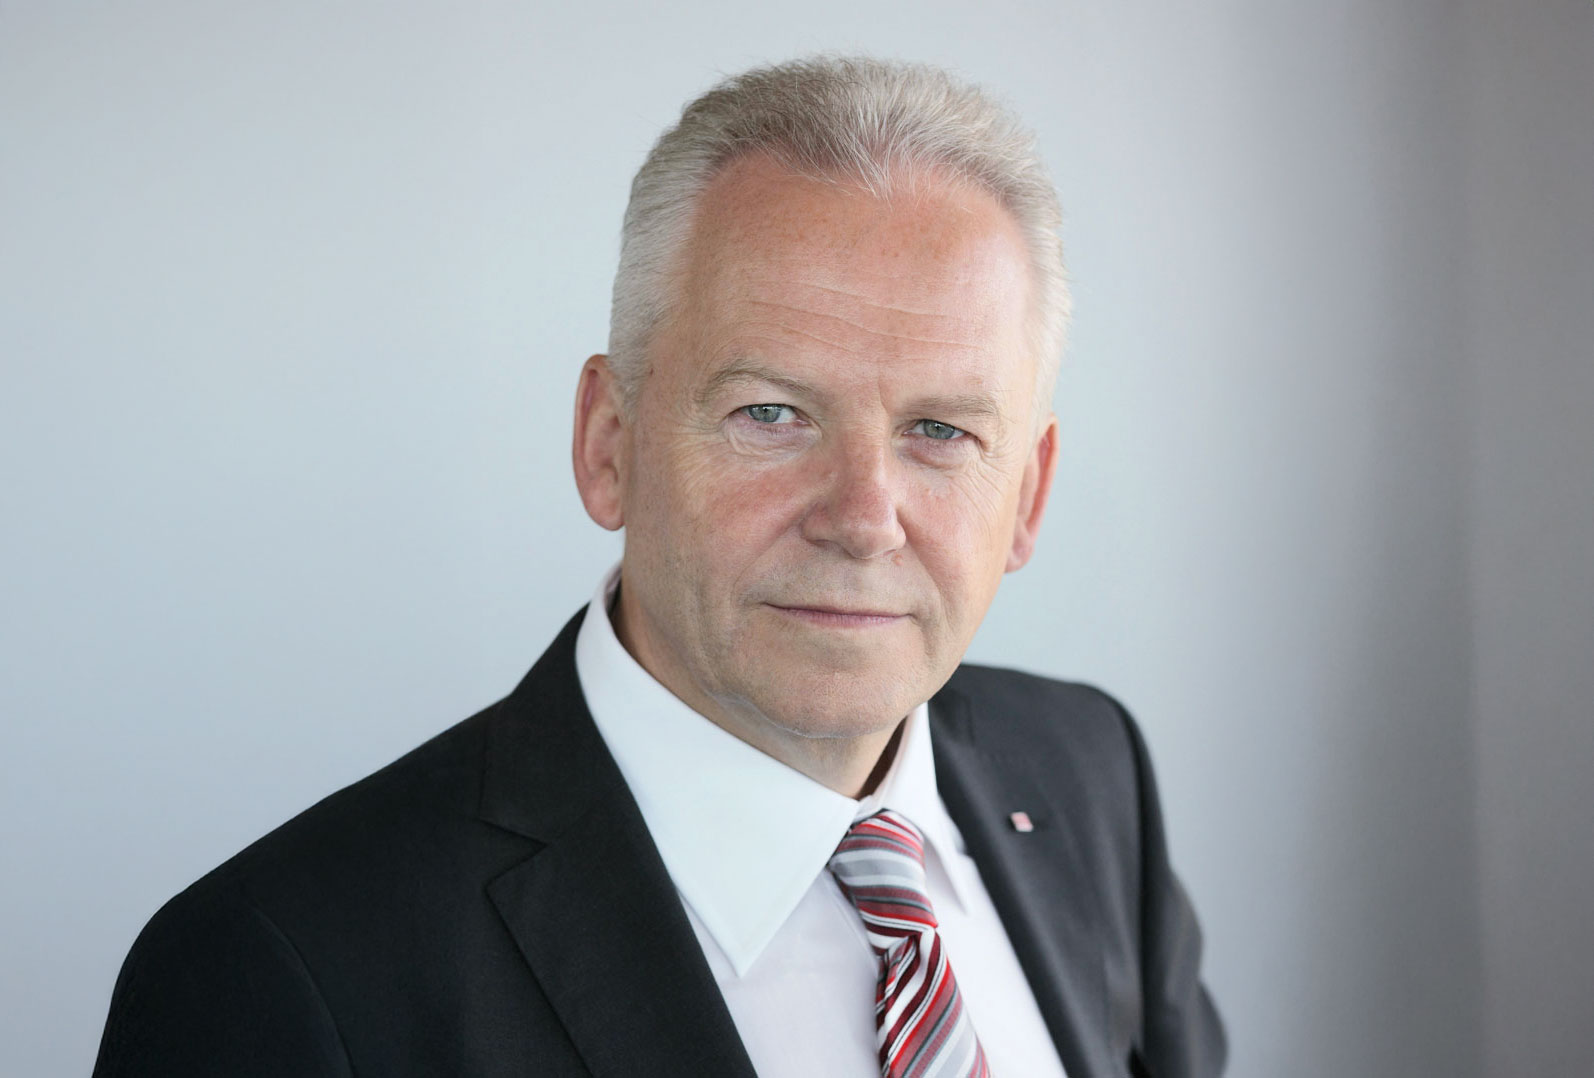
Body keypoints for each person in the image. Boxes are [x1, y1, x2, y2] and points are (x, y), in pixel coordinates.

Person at [93, 56, 1224, 1078]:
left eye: (940, 431)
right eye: (771, 413)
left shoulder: (1088, 774)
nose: (863, 519)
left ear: (1026, 495)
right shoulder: (280, 977)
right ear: (609, 444)